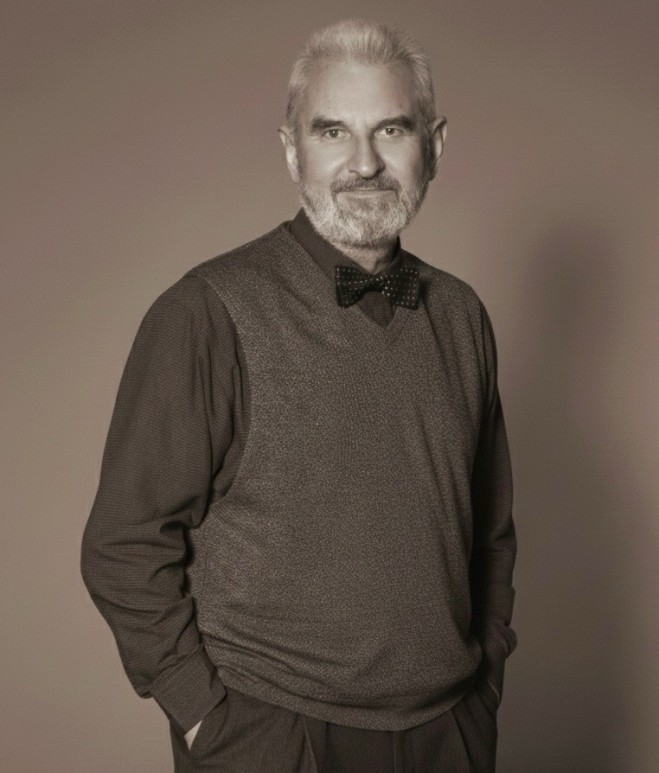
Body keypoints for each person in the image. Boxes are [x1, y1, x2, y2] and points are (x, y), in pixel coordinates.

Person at [81, 18, 516, 773]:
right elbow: (123, 542)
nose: (365, 162)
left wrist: (483, 692)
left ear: (435, 145)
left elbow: (490, 533)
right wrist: (206, 717)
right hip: (273, 736)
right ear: (292, 151)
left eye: (391, 129)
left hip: (447, 734)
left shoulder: (461, 315)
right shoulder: (207, 312)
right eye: (332, 132)